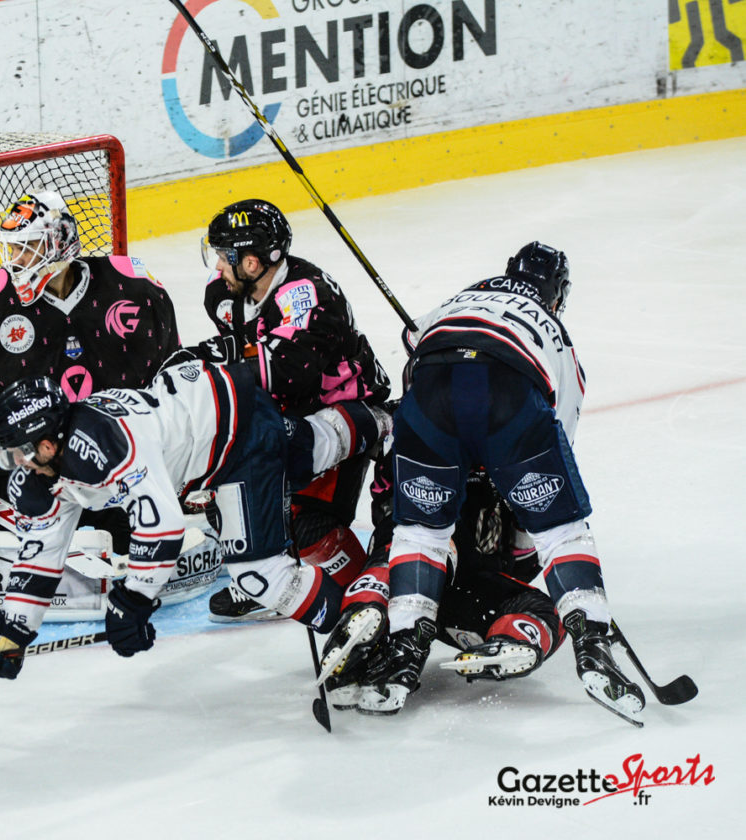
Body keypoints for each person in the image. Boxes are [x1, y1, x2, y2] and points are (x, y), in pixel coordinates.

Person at [346, 242, 644, 725]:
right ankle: (592, 644)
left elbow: (413, 338)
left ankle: (402, 655)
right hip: (508, 394)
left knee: (420, 533)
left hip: (428, 397)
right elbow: (558, 434)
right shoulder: (556, 334)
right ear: (556, 294)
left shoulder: (463, 297)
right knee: (559, 529)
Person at [0, 362, 391, 682]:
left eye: (22, 451)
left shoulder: (101, 447)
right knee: (305, 449)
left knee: (259, 573)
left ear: (48, 441)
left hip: (235, 437)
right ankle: (388, 420)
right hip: (211, 411)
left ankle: (365, 639)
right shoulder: (49, 467)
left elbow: (162, 526)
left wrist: (133, 602)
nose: (18, 463)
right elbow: (41, 554)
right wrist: (12, 628)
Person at [168, 199, 391, 621]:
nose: (217, 266)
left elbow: (285, 374)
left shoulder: (309, 298)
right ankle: (269, 569)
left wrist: (205, 366)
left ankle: (372, 599)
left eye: (224, 255)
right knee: (228, 481)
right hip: (288, 414)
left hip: (343, 410)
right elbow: (249, 357)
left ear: (251, 263)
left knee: (308, 526)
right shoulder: (225, 293)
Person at [0, 189, 182, 551]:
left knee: (132, 547)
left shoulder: (134, 287)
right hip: (27, 467)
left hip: (116, 463)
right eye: (11, 249)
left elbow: (172, 374)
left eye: (27, 247)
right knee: (22, 556)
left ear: (60, 244)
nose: (15, 260)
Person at [319, 457, 565, 712]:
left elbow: (523, 564)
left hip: (457, 582)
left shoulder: (510, 462)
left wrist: (518, 514)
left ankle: (508, 641)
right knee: (429, 550)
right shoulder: (426, 441)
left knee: (546, 611)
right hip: (413, 548)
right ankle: (371, 619)